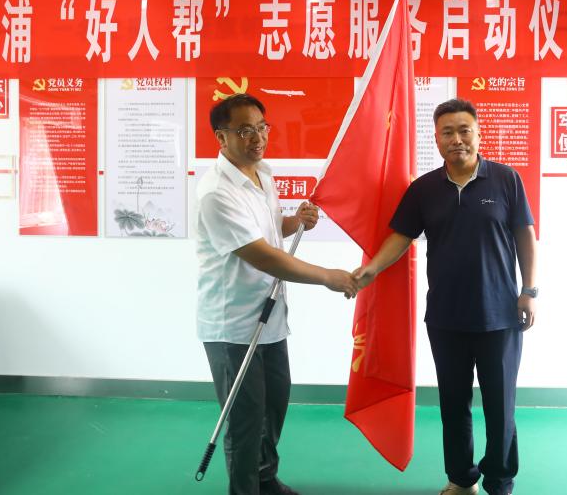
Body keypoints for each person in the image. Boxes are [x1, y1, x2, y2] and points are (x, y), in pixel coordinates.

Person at [353, 98, 538, 495]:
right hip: (445, 317)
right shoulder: (423, 190)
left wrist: (529, 291)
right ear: (436, 139)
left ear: (478, 133)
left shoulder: (506, 179)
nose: (457, 139)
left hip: (500, 316)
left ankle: (500, 482)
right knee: (453, 405)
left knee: (500, 407)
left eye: (464, 130)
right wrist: (371, 269)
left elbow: (526, 235)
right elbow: (401, 236)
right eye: (447, 133)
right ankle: (461, 479)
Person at [196, 93, 357, 495]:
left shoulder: (262, 175)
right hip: (233, 326)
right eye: (244, 130)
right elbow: (263, 256)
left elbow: (267, 231)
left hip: (270, 317)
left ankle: (265, 479)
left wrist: (294, 221)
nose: (257, 137)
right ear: (221, 137)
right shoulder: (216, 192)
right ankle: (245, 489)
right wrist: (327, 277)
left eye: (261, 127)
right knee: (246, 420)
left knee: (273, 407)